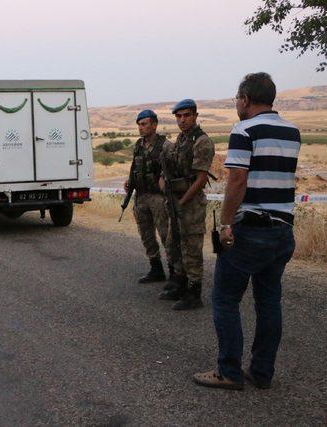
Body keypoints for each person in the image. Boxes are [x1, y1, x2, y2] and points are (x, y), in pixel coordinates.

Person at [194, 73, 299, 390]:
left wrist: (226, 223)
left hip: (250, 228)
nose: (236, 104)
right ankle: (262, 372)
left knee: (225, 300)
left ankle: (229, 371)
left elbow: (237, 180)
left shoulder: (244, 130)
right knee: (269, 302)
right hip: (283, 230)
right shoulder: (292, 132)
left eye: (236, 99)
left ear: (245, 99)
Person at [158, 99, 215, 310]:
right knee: (174, 244)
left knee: (191, 248)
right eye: (178, 116)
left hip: (190, 204)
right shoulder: (181, 140)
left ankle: (194, 292)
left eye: (186, 115)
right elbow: (168, 168)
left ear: (195, 116)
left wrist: (182, 201)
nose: (182, 120)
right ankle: (180, 284)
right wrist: (163, 183)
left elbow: (200, 179)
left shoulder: (202, 141)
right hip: (175, 200)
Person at [124, 110, 180, 284]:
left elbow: (174, 170)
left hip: (158, 197)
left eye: (144, 124)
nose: (141, 128)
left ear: (154, 125)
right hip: (141, 196)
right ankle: (156, 269)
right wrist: (130, 180)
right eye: (139, 125)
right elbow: (136, 166)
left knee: (166, 236)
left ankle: (174, 273)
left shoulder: (166, 145)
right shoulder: (138, 145)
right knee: (146, 235)